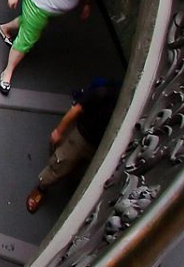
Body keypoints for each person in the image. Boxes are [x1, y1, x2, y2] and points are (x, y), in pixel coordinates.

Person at [26, 77, 120, 212]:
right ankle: (42, 186)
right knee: (62, 162)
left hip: (104, 143)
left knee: (88, 171)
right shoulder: (105, 92)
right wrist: (59, 131)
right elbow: (76, 110)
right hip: (84, 135)